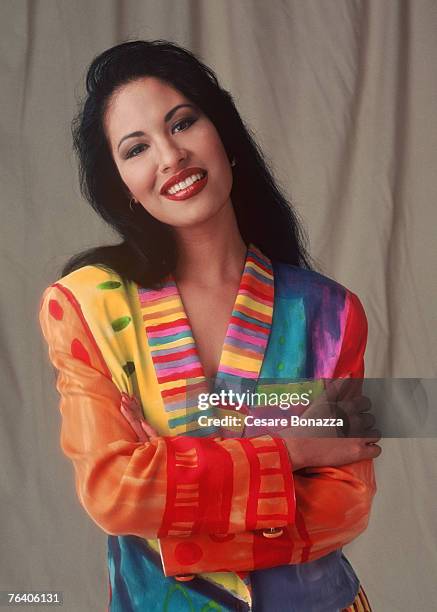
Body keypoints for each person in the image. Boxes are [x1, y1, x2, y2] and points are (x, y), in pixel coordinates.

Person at [39, 40, 381, 612]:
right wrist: (289, 451)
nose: (170, 157)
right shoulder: (84, 307)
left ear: (222, 133)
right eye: (136, 148)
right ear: (121, 184)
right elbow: (114, 493)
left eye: (183, 123)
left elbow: (345, 506)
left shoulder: (330, 312)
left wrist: (172, 491)